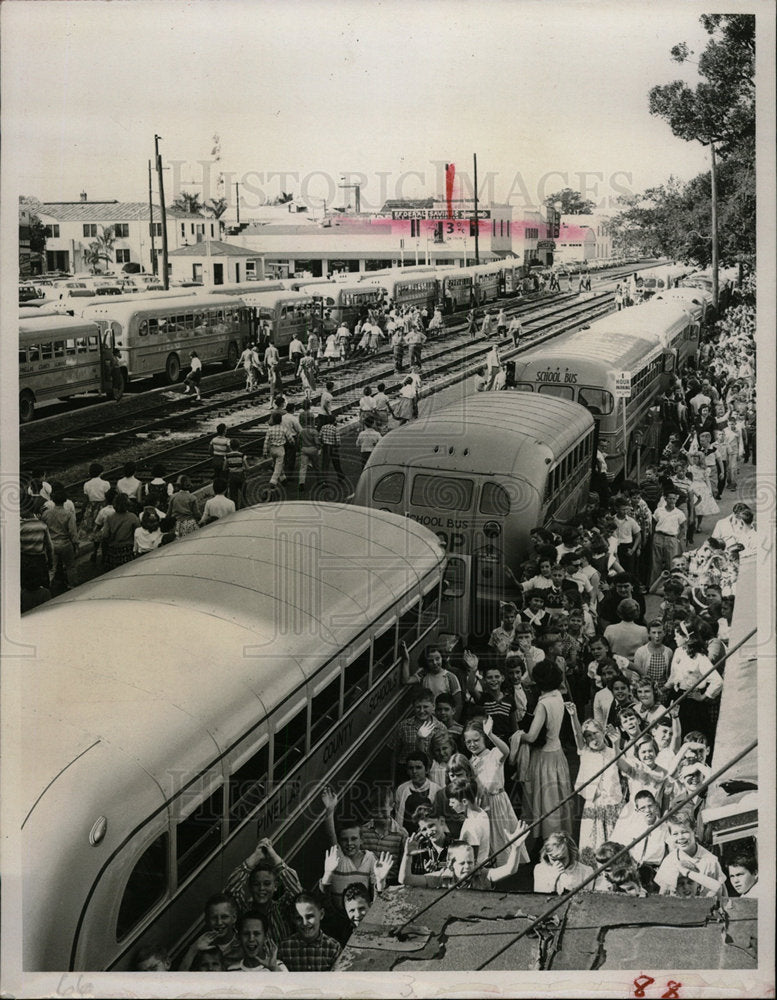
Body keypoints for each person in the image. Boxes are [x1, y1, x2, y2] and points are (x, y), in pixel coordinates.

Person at [514, 660, 574, 845]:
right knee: (556, 799)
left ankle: (548, 842)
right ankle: (554, 841)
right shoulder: (558, 698)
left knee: (546, 801)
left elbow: (532, 737)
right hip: (557, 754)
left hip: (544, 758)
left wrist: (517, 735)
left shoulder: (544, 704)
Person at [567, 708, 623, 867]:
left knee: (611, 842)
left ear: (603, 732)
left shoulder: (613, 752)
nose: (593, 738)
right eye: (588, 736)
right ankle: (590, 876)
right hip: (593, 805)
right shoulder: (585, 752)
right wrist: (573, 715)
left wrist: (616, 743)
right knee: (591, 842)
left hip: (612, 805)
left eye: (595, 733)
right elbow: (577, 733)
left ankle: (611, 876)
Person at [399, 826, 530, 890]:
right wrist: (407, 855)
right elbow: (405, 879)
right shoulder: (440, 878)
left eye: (470, 862)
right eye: (462, 863)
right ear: (450, 865)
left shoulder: (482, 875)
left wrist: (516, 847)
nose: (467, 867)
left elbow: (510, 870)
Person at [224, 836, 304, 940]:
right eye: (256, 884)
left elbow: (297, 893)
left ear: (275, 886)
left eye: (267, 884)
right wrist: (255, 857)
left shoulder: (282, 909)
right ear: (250, 887)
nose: (262, 888)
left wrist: (274, 856)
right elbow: (230, 891)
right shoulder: (244, 911)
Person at [463, 717, 520, 863]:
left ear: (484, 738)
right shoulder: (470, 761)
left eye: (476, 740)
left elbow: (506, 751)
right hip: (480, 803)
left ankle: (503, 867)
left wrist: (491, 734)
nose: (472, 744)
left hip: (496, 800)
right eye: (468, 742)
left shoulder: (493, 754)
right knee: (484, 837)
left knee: (499, 836)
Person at [654, 812, 726, 898]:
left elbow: (722, 892)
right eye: (675, 834)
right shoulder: (669, 861)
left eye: (685, 832)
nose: (680, 837)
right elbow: (662, 894)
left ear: (694, 831)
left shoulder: (710, 860)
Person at [610, 790, 667, 890]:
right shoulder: (632, 828)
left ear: (656, 805)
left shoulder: (665, 828)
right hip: (632, 869)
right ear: (637, 810)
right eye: (643, 808)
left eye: (650, 806)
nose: (648, 810)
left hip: (653, 872)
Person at [277, 893, 341, 972]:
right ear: (293, 919)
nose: (305, 923)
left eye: (310, 916)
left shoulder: (333, 948)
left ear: (321, 914)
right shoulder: (284, 948)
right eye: (299, 918)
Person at [180, 894, 242, 969]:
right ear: (207, 920)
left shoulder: (244, 944)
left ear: (234, 918)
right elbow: (181, 975)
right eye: (214, 918)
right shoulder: (200, 947)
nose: (219, 922)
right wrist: (193, 950)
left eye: (224, 917)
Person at [41, 483, 79, 590]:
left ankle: (47, 588)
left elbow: (43, 528)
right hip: (66, 543)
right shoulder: (68, 514)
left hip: (51, 544)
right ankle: (72, 586)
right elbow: (73, 532)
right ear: (64, 501)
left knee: (52, 569)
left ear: (53, 501)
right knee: (70, 566)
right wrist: (76, 544)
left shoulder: (46, 514)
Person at [394, 751, 443, 834]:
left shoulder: (436, 790)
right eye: (411, 768)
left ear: (427, 769)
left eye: (418, 767)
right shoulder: (402, 789)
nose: (414, 771)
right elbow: (398, 815)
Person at [101, 492, 140, 569]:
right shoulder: (133, 517)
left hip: (113, 550)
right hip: (128, 549)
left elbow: (105, 535)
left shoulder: (110, 517)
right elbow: (138, 533)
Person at [81, 462, 111, 536]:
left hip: (91, 507)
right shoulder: (106, 483)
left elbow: (86, 499)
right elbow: (108, 497)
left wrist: (83, 510)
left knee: (91, 525)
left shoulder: (86, 484)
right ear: (100, 473)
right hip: (102, 506)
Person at [263, 411, 290, 488]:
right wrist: (292, 442)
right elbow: (290, 438)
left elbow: (266, 441)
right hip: (280, 449)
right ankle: (273, 481)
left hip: (272, 449)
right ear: (281, 420)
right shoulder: (283, 429)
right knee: (278, 466)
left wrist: (265, 452)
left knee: (276, 464)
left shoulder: (269, 429)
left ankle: (283, 479)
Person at [319, 416, 347, 481]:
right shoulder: (335, 428)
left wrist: (322, 443)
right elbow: (338, 440)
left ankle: (324, 479)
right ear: (334, 421)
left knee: (325, 463)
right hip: (333, 447)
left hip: (325, 446)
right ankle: (340, 476)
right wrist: (338, 446)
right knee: (336, 462)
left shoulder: (323, 427)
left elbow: (320, 437)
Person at [224, 439, 248, 509]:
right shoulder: (242, 455)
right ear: (239, 446)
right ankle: (243, 508)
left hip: (232, 476)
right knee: (244, 493)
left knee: (233, 495)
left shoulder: (227, 456)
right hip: (241, 475)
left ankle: (235, 509)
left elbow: (224, 467)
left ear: (230, 447)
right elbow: (247, 467)